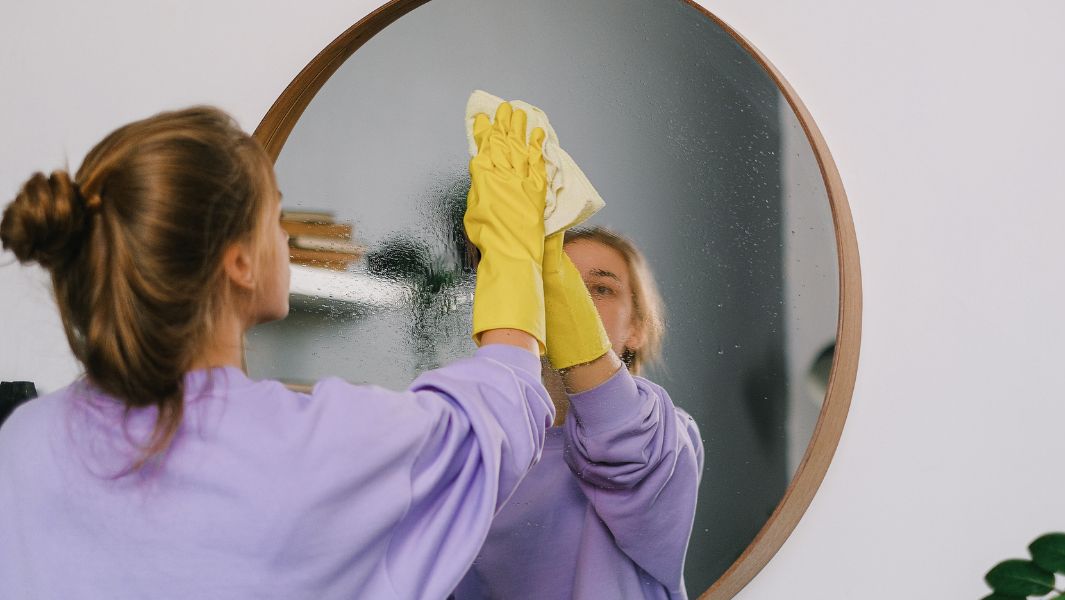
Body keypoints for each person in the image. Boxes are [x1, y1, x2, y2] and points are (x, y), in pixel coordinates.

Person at [0, 104, 559, 599]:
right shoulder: (311, 447)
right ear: (240, 262)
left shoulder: (23, 443)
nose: (285, 240)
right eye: (275, 217)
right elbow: (490, 424)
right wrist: (512, 251)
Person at [454, 225, 705, 599]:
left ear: (635, 328)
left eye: (601, 288)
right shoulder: (477, 442)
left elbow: (621, 440)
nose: (574, 302)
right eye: (556, 283)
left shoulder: (665, 434)